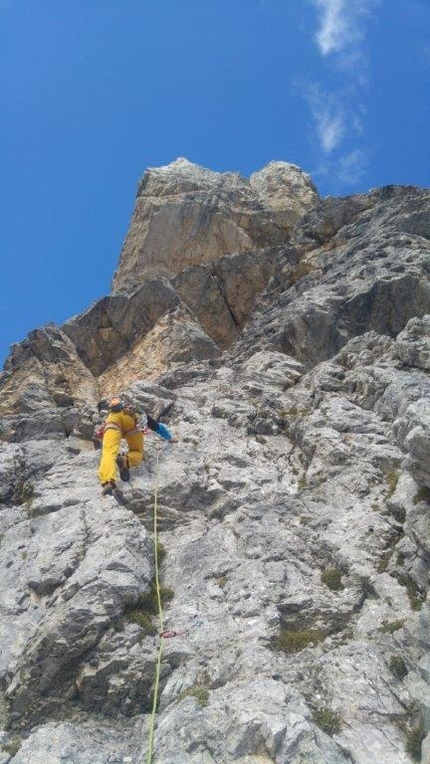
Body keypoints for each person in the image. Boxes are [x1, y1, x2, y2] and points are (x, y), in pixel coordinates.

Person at [94, 396, 175, 496]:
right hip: (131, 424)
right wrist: (170, 438)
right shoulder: (136, 411)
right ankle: (126, 460)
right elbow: (157, 426)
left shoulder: (110, 415)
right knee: (137, 452)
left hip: (113, 424)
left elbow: (100, 437)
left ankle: (108, 481)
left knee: (108, 453)